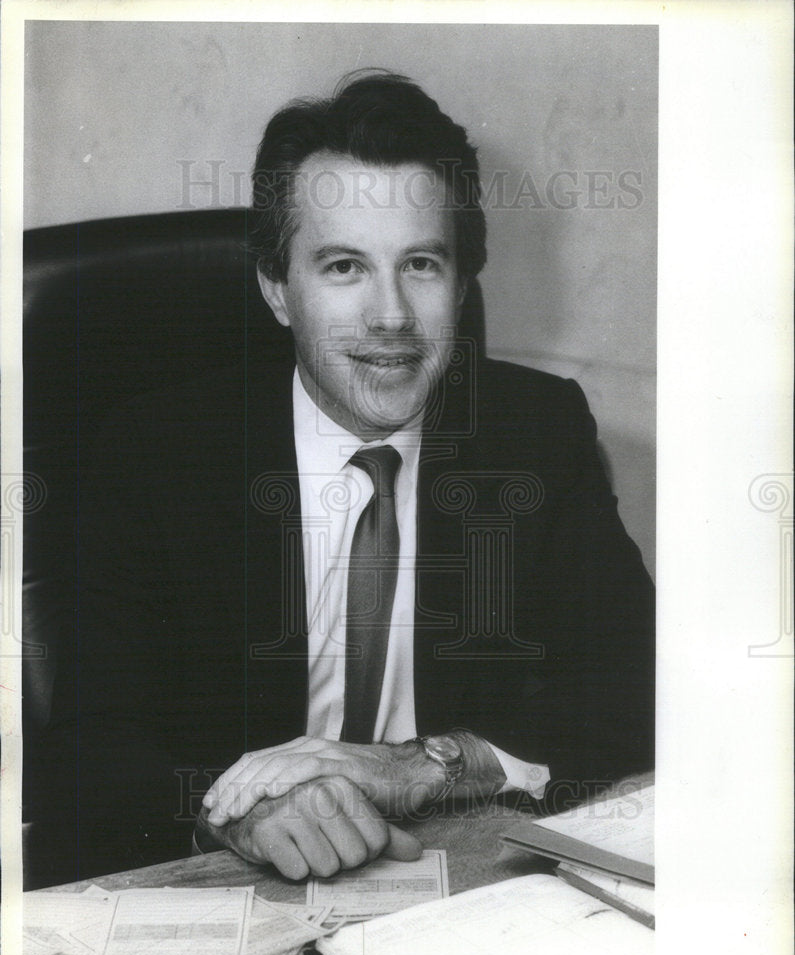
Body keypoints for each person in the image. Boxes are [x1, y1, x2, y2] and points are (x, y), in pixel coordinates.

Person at [30, 71, 654, 886]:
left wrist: (422, 766)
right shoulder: (157, 450)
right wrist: (239, 810)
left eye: (421, 264)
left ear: (461, 286)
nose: (390, 316)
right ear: (276, 289)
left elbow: (640, 683)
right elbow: (86, 744)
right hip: (225, 879)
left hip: (450, 861)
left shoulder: (533, 430)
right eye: (343, 267)